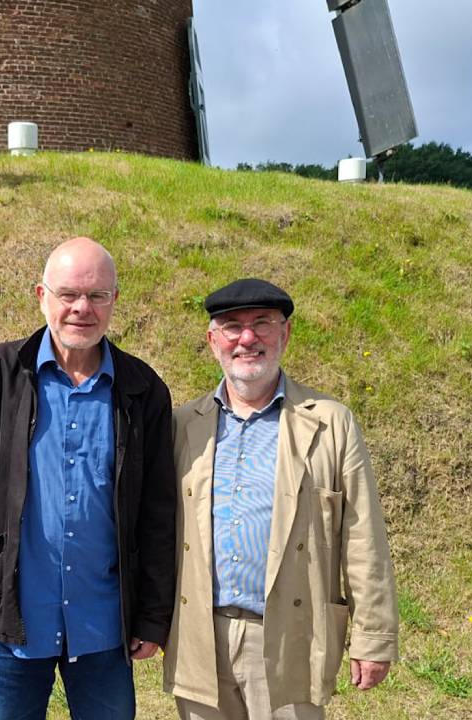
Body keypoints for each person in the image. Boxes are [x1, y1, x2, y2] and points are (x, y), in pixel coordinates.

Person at [0, 237, 177, 720]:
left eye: (97, 295)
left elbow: (158, 513)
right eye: (68, 294)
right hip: (15, 617)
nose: (82, 308)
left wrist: (152, 615)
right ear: (42, 296)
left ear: (114, 300)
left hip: (103, 623)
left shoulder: (142, 388)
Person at [163, 278, 399, 720]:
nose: (247, 338)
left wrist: (374, 636)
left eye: (262, 324)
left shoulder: (331, 423)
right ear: (213, 341)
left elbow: (363, 535)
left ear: (285, 333)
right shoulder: (182, 425)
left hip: (289, 635)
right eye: (232, 326)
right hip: (200, 636)